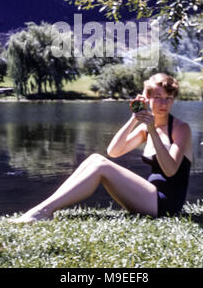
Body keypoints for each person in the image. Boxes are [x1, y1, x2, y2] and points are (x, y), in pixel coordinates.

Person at [12, 73, 192, 223]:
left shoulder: (180, 128)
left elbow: (170, 170)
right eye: (158, 97)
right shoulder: (145, 128)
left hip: (165, 205)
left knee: (102, 167)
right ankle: (44, 209)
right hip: (148, 198)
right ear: (146, 99)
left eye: (169, 98)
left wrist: (152, 131)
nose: (163, 104)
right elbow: (114, 151)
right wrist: (134, 119)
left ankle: (42, 212)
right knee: (95, 159)